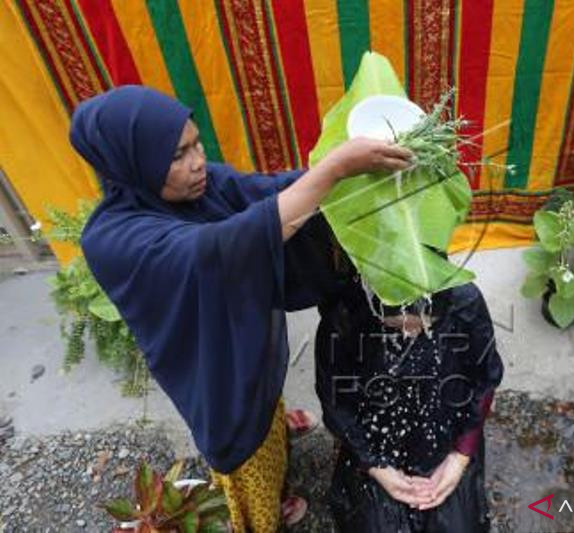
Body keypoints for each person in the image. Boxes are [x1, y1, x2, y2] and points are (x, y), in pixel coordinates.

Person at [69, 85, 412, 532]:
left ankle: (276, 436)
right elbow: (222, 249)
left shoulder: (196, 187)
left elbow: (264, 193)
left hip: (243, 338)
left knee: (264, 393)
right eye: (177, 155)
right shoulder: (115, 239)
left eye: (196, 143)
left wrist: (346, 177)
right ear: (131, 162)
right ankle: (266, 513)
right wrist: (331, 171)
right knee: (243, 447)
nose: (196, 162)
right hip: (211, 365)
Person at [314, 234, 504, 531]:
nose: (409, 336)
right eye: (397, 328)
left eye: (423, 327)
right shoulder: (347, 315)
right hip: (374, 441)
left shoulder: (463, 301)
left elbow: (485, 380)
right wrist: (376, 467)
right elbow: (336, 402)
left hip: (446, 434)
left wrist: (459, 457)